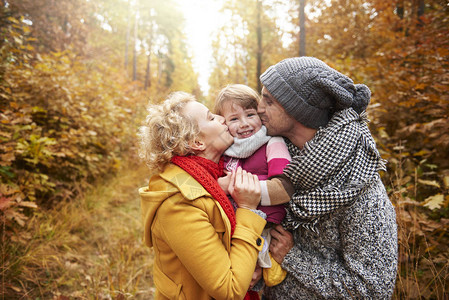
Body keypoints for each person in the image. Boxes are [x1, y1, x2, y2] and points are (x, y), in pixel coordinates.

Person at [257, 57, 398, 299]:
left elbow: (374, 290)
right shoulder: (275, 156)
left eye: (268, 100)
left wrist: (294, 258)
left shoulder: (358, 185)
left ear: (297, 109)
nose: (258, 108)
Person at [138, 91, 267, 300]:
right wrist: (248, 209)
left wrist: (251, 262)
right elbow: (230, 289)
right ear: (197, 142)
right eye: (211, 117)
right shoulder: (178, 203)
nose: (222, 118)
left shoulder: (216, 177)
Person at [214, 84, 292, 288]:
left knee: (257, 272)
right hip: (233, 224)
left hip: (265, 221)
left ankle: (262, 265)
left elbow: (285, 187)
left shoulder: (272, 142)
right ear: (224, 124)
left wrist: (237, 189)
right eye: (233, 119)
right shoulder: (226, 149)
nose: (244, 124)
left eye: (250, 114)